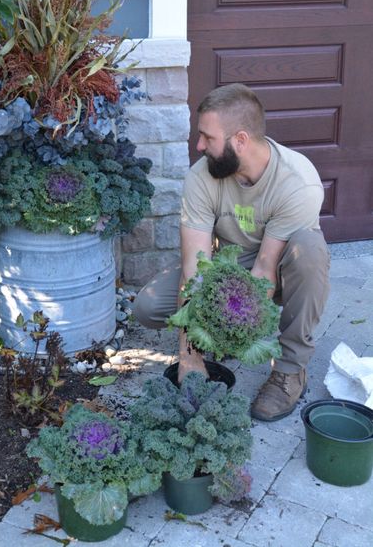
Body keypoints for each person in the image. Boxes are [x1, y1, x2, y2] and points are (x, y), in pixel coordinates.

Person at [133, 83, 330, 422]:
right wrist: (190, 354)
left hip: (278, 265)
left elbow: (265, 271)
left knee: (309, 251)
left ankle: (289, 370)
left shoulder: (299, 182)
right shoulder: (202, 177)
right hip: (227, 265)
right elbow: (194, 269)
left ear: (240, 140)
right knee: (148, 307)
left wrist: (236, 328)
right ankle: (205, 337)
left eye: (207, 138)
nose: (199, 146)